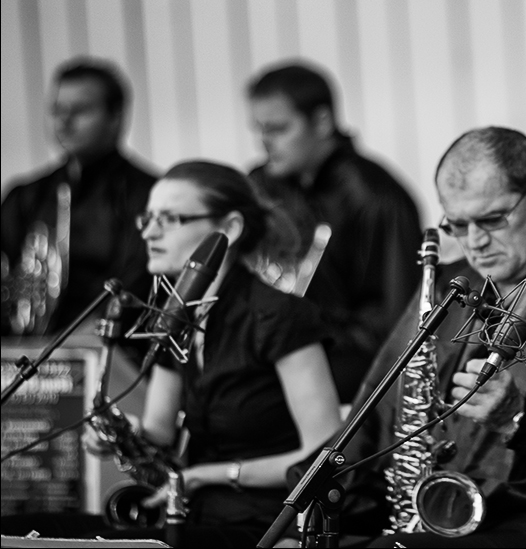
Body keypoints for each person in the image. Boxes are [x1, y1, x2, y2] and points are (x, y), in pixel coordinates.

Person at [295, 127, 526, 548]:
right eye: (458, 225)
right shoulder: (452, 288)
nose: (475, 242)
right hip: (437, 515)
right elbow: (373, 414)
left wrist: (518, 422)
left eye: (491, 219)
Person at [4, 160, 343, 546]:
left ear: (228, 228)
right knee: (26, 529)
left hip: (267, 520)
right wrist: (121, 436)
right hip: (192, 512)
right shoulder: (176, 312)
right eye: (147, 218)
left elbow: (324, 456)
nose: (149, 232)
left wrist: (205, 475)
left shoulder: (279, 316)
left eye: (170, 219)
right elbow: (158, 435)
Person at [247, 61, 422, 403]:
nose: (265, 143)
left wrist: (308, 343)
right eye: (259, 130)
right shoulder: (261, 186)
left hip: (350, 374)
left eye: (278, 129)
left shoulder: (376, 197)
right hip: (278, 354)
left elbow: (399, 320)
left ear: (322, 121)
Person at [2, 58, 156, 336]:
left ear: (116, 116)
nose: (64, 121)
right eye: (57, 110)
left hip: (110, 353)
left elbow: (136, 287)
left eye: (81, 110)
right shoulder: (24, 196)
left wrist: (71, 344)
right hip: (23, 356)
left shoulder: (149, 195)